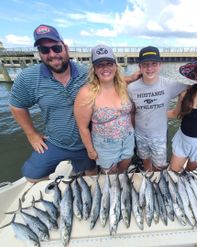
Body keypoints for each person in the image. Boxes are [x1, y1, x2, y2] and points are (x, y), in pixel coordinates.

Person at [9, 24, 138, 182]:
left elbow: (108, 79)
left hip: (84, 145)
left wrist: (134, 78)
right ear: (39, 53)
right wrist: (32, 134)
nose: (52, 54)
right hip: (56, 142)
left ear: (65, 48)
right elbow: (17, 105)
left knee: (91, 176)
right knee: (31, 176)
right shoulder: (28, 78)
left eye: (56, 48)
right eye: (44, 50)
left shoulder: (84, 73)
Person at [127, 46, 197, 172]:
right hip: (143, 135)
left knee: (165, 167)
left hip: (163, 137)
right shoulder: (132, 88)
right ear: (140, 66)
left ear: (160, 65)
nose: (149, 68)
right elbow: (131, 109)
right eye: (145, 64)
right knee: (150, 162)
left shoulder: (169, 85)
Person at [74, 44, 134, 174]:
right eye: (100, 65)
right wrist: (90, 150)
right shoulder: (86, 93)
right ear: (94, 69)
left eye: (109, 64)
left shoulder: (123, 85)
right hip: (105, 145)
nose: (105, 68)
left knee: (125, 166)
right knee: (110, 174)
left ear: (115, 66)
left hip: (128, 138)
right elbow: (83, 127)